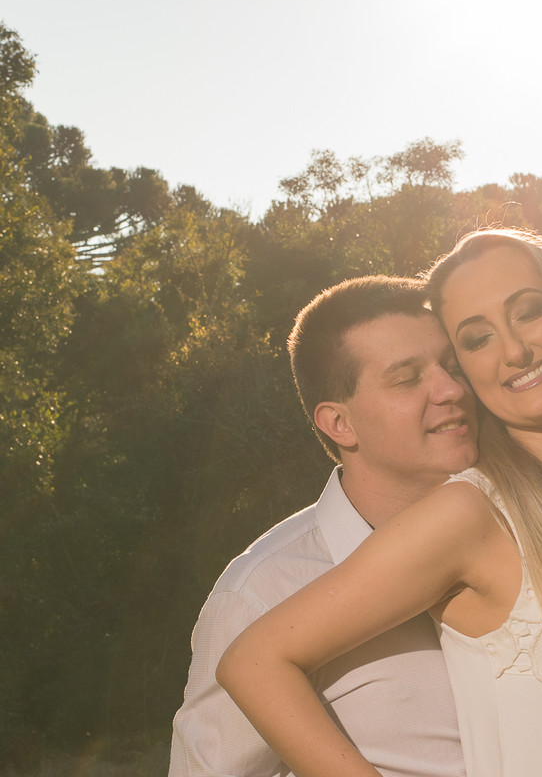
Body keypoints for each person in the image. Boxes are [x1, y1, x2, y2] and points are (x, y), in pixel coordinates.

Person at [218, 229, 542, 776]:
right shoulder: (471, 513)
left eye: (527, 311)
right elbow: (254, 662)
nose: (515, 350)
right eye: (476, 340)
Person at [170, 276, 476, 777]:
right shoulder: (261, 593)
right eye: (406, 378)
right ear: (340, 424)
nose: (450, 389)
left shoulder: (528, 534)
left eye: (452, 365)